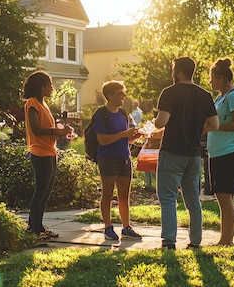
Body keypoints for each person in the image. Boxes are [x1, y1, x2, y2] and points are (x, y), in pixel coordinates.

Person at [154, 57, 219, 250]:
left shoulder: (169, 93)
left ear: (180, 71)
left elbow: (161, 122)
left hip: (172, 151)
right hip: (193, 153)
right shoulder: (204, 95)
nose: (172, 72)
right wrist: (196, 128)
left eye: (174, 68)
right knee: (193, 200)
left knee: (167, 198)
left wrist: (156, 120)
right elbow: (215, 125)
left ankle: (169, 241)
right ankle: (196, 241)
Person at [23, 71, 73, 239]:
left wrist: (61, 131)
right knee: (41, 191)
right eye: (50, 85)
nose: (52, 88)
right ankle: (35, 229)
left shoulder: (43, 104)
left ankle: (38, 226)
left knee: (46, 192)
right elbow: (36, 129)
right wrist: (56, 131)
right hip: (40, 153)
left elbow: (48, 129)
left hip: (50, 151)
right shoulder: (32, 103)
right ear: (42, 87)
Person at [204, 57, 234, 247]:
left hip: (229, 152)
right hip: (217, 153)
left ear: (222, 78)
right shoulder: (220, 98)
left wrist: (217, 126)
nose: (210, 81)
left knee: (224, 196)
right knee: (223, 196)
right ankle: (226, 239)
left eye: (212, 77)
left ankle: (226, 241)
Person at [94, 80, 143, 240]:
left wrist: (135, 136)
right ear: (109, 95)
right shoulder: (101, 114)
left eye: (124, 93)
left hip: (124, 158)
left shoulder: (123, 114)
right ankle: (108, 227)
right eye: (119, 94)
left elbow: (125, 139)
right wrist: (124, 134)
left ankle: (126, 227)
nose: (123, 96)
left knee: (124, 196)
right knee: (107, 194)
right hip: (108, 159)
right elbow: (102, 140)